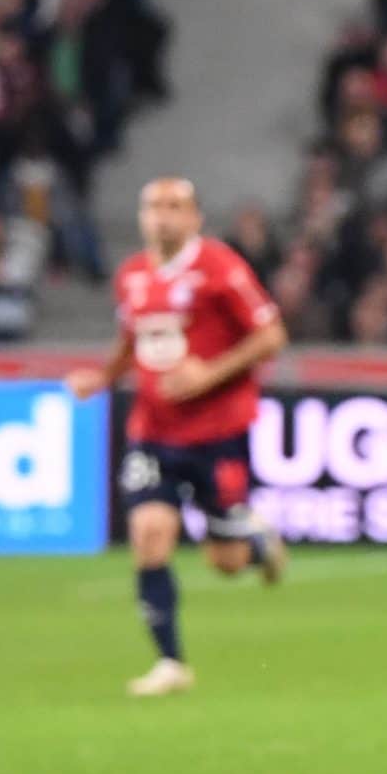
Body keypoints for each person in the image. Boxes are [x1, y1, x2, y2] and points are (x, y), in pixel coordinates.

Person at [65, 178, 290, 697]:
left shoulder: (220, 267)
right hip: (153, 430)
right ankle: (171, 662)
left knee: (225, 562)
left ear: (195, 218)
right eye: (153, 207)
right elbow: (131, 339)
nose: (162, 216)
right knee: (149, 533)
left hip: (218, 431)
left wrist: (208, 374)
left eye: (174, 207)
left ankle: (257, 545)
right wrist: (103, 378)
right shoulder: (132, 275)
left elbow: (271, 335)